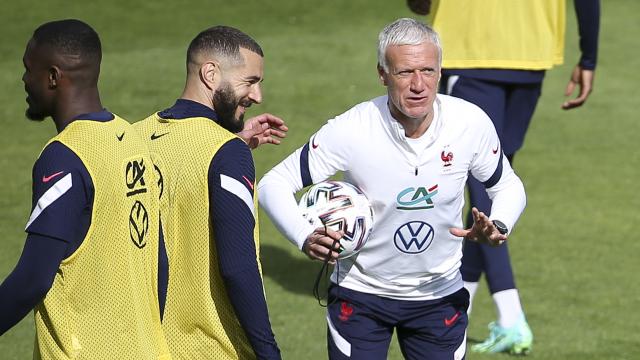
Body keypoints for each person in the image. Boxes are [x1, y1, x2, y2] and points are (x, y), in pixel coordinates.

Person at [258, 18, 527, 360]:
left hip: (439, 296)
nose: (419, 85)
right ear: (383, 74)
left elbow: (508, 186)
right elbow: (273, 183)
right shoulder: (352, 129)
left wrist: (500, 224)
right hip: (361, 296)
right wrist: (305, 234)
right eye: (405, 73)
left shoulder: (470, 123)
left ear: (441, 71)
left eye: (428, 71)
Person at [407, 0, 600, 354]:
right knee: (494, 188)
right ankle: (457, 313)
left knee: (487, 190)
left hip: (469, 49)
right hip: (532, 51)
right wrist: (589, 55)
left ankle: (511, 317)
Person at [0, 19, 170, 359]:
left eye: (27, 69)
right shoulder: (133, 140)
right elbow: (158, 261)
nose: (23, 80)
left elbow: (34, 277)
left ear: (52, 77)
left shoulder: (63, 157)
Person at [133, 25, 281, 359]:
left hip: (142, 346)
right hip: (207, 348)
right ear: (211, 73)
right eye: (251, 81)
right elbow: (238, 267)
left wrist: (229, 150)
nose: (258, 97)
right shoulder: (226, 152)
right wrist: (268, 351)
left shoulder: (133, 137)